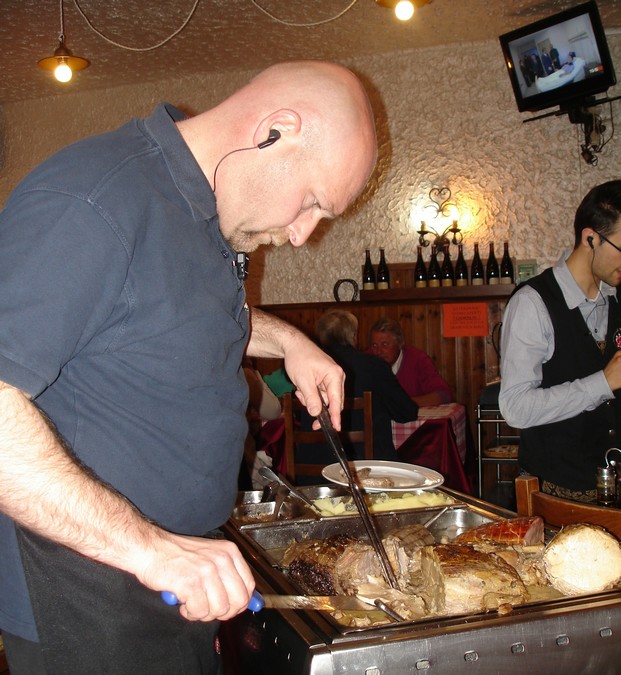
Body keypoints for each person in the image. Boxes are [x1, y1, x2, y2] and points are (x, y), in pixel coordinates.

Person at [0, 60, 377, 674]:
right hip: (87, 591)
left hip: (175, 575)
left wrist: (289, 342)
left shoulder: (202, 210)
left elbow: (169, 313)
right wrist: (151, 550)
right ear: (275, 131)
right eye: (311, 201)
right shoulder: (94, 197)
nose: (303, 234)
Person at [499, 181, 621, 503]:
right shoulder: (532, 303)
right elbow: (516, 409)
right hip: (557, 499)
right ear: (591, 238)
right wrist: (603, 382)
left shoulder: (617, 296)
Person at [295, 309, 419, 478]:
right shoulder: (373, 366)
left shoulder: (306, 367)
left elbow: (298, 415)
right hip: (369, 472)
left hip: (313, 472)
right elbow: (407, 412)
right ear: (353, 336)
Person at [368, 317, 453, 406]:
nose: (378, 351)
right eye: (374, 345)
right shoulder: (366, 360)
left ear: (400, 343)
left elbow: (444, 395)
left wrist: (403, 403)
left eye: (385, 345)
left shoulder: (418, 360)